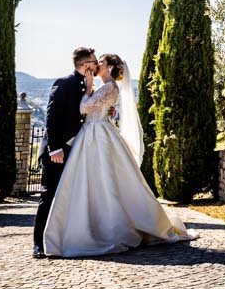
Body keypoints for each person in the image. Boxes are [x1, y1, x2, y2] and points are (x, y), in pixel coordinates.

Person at [42, 52, 197, 257]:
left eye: (101, 62)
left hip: (97, 135)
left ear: (110, 68)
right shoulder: (105, 87)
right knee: (94, 182)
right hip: (92, 134)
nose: (97, 64)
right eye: (96, 61)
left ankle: (109, 229)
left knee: (105, 180)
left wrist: (88, 88)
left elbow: (84, 107)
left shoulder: (108, 86)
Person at [32, 46, 96, 259]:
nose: (96, 66)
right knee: (48, 195)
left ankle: (60, 239)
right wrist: (55, 149)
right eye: (94, 62)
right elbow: (52, 117)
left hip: (75, 151)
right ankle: (38, 244)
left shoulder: (86, 86)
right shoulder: (64, 83)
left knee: (68, 196)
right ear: (85, 65)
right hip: (57, 151)